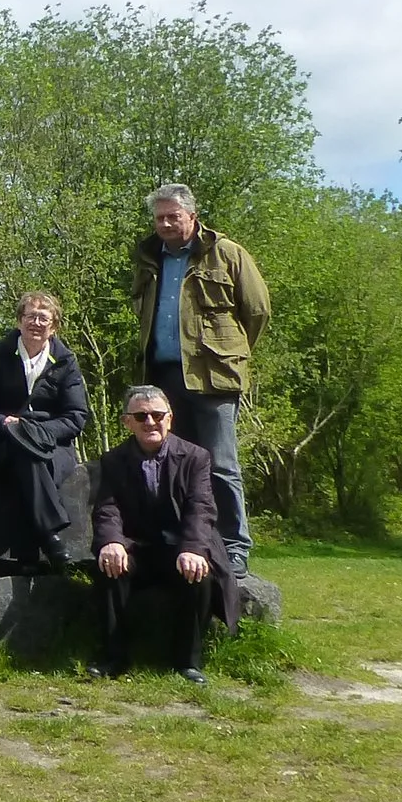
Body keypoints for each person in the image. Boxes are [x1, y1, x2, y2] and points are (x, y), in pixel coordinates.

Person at [132, 183, 271, 576]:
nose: (165, 224)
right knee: (173, 463)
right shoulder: (147, 257)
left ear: (192, 216)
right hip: (161, 378)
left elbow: (257, 311)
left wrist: (232, 354)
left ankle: (234, 545)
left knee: (221, 464)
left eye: (173, 216)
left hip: (214, 378)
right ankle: (186, 539)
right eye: (159, 217)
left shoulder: (226, 253)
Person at [90, 386, 240, 683]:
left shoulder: (196, 457)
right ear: (126, 422)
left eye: (157, 415)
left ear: (169, 419)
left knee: (200, 574)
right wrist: (112, 542)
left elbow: (202, 507)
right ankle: (114, 658)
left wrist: (194, 548)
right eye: (141, 416)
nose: (150, 422)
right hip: (138, 548)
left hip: (181, 547)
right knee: (108, 568)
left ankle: (188, 662)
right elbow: (107, 509)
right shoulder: (112, 460)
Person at [0, 291, 90, 573]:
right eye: (30, 316)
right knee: (23, 450)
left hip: (53, 444)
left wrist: (39, 433)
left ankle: (34, 549)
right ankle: (50, 537)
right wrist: (6, 425)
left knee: (30, 454)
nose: (36, 323)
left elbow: (76, 416)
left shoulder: (66, 361)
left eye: (43, 318)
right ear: (19, 321)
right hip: (6, 439)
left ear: (54, 326)